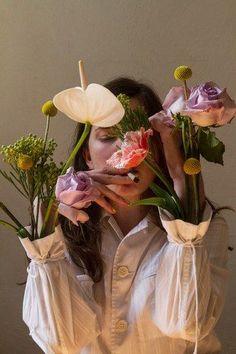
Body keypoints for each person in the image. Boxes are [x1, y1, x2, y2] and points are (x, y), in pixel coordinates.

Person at [22, 77, 229, 354]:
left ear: (158, 149)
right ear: (87, 155)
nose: (125, 149)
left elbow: (188, 325)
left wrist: (185, 207)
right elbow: (58, 341)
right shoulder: (60, 233)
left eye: (138, 135)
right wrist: (45, 223)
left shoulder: (206, 227)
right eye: (108, 136)